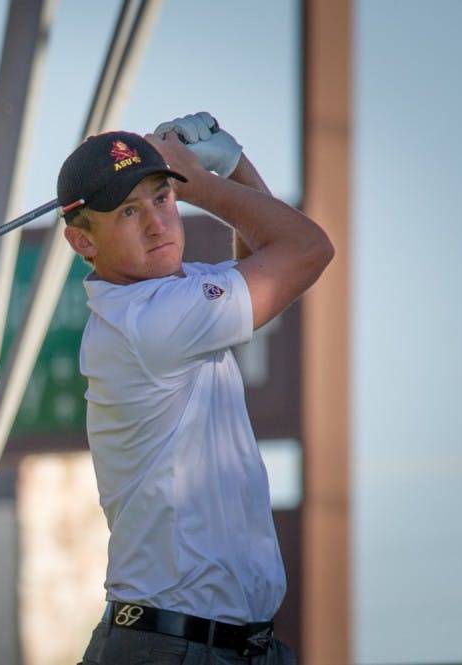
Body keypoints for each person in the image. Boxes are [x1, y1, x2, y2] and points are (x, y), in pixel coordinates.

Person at [58, 112, 333, 664]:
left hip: (229, 646)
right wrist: (206, 180)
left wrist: (236, 168)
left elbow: (265, 256)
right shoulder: (152, 321)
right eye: (129, 212)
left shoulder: (169, 295)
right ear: (82, 240)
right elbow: (306, 250)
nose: (158, 224)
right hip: (172, 648)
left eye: (163, 198)